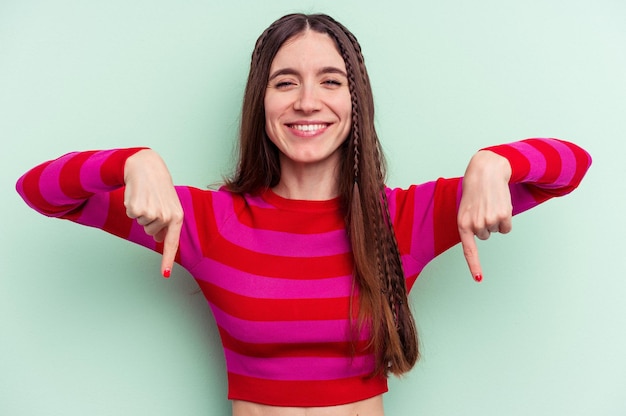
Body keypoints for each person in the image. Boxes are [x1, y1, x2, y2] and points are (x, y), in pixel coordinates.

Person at [16, 12, 591, 416]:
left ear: (353, 101)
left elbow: (572, 166)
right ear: (261, 103)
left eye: (330, 82)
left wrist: (493, 163)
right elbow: (39, 190)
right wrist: (131, 162)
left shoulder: (406, 217)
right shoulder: (205, 222)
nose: (307, 102)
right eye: (285, 82)